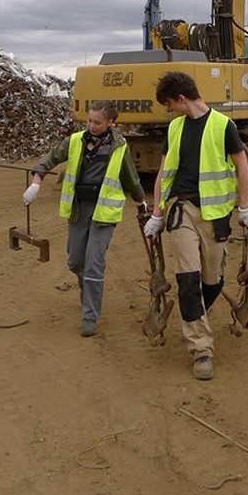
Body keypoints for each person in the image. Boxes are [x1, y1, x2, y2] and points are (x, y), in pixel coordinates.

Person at [143, 71, 248, 381]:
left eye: (170, 104)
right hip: (182, 211)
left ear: (182, 98)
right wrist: (157, 213)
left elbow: (242, 167)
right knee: (188, 279)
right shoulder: (174, 128)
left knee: (213, 280)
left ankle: (195, 318)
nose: (170, 111)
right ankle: (201, 349)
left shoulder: (223, 126)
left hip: (215, 216)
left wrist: (244, 206)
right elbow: (164, 174)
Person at [22, 100, 147, 338]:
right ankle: (87, 286)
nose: (91, 125)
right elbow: (50, 158)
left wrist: (142, 203)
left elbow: (131, 178)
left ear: (111, 123)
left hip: (104, 213)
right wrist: (36, 183)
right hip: (79, 210)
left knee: (94, 263)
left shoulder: (119, 147)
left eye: (97, 122)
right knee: (75, 261)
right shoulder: (75, 141)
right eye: (89, 120)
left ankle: (90, 316)